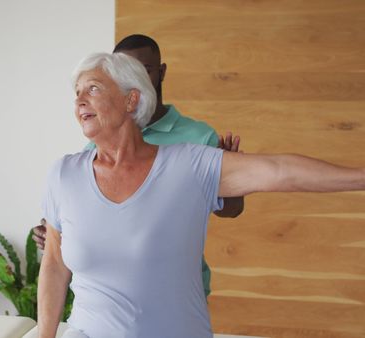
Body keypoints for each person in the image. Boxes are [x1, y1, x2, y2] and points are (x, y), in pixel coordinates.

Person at [37, 52, 365, 338]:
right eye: (77, 93)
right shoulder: (64, 175)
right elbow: (54, 263)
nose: (80, 100)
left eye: (93, 89)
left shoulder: (188, 165)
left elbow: (277, 170)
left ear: (132, 100)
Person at [32, 34, 243, 298]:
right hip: (115, 297)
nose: (135, 78)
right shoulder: (93, 150)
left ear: (162, 72)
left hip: (179, 293)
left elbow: (231, 209)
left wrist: (229, 180)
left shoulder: (199, 138)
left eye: (144, 70)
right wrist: (55, 234)